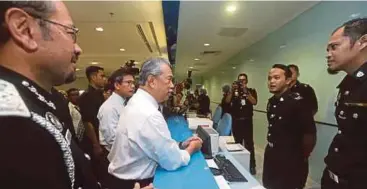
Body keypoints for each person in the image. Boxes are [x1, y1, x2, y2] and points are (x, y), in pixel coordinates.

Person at [0, 1, 102, 188]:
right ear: (24, 30)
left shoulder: (48, 97)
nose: (78, 49)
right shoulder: (12, 120)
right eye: (71, 33)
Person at [108, 57, 203, 189]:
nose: (172, 86)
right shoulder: (149, 113)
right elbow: (173, 161)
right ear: (152, 81)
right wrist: (192, 147)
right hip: (134, 184)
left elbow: (149, 143)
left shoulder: (137, 102)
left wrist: (180, 145)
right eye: (169, 79)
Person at [322, 18, 367, 189]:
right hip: (335, 178)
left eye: (334, 47)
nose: (328, 54)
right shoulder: (349, 83)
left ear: (362, 42)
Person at [263, 64, 316, 189]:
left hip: (291, 158)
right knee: (269, 185)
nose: (271, 81)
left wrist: (301, 157)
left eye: (276, 78)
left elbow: (309, 135)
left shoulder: (298, 102)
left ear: (288, 80)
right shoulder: (272, 102)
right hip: (272, 154)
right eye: (269, 78)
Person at [97, 68, 135, 188]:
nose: (132, 86)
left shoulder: (123, 103)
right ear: (117, 85)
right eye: (128, 83)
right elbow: (112, 140)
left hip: (125, 157)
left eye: (133, 83)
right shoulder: (110, 107)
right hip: (115, 159)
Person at [225, 73, 258, 175]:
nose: (241, 82)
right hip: (236, 121)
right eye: (240, 80)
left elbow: (254, 102)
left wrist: (245, 91)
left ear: (246, 81)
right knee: (237, 143)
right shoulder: (234, 92)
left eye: (243, 80)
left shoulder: (251, 91)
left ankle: (252, 165)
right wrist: (231, 90)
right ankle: (237, 164)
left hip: (247, 121)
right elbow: (227, 101)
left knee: (249, 144)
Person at [78, 65, 106, 181]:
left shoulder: (100, 95)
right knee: (99, 172)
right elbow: (88, 122)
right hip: (95, 140)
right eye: (102, 76)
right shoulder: (86, 97)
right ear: (93, 77)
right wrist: (96, 144)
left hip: (103, 138)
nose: (104, 79)